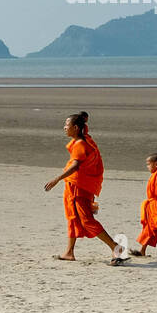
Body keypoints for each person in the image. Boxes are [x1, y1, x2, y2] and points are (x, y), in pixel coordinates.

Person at [44, 112, 129, 265]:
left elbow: (76, 166)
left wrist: (57, 179)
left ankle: (116, 248)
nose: (64, 127)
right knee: (73, 218)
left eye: (67, 125)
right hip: (77, 186)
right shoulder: (85, 139)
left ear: (76, 128)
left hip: (79, 187)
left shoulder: (80, 144)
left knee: (87, 220)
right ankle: (69, 252)